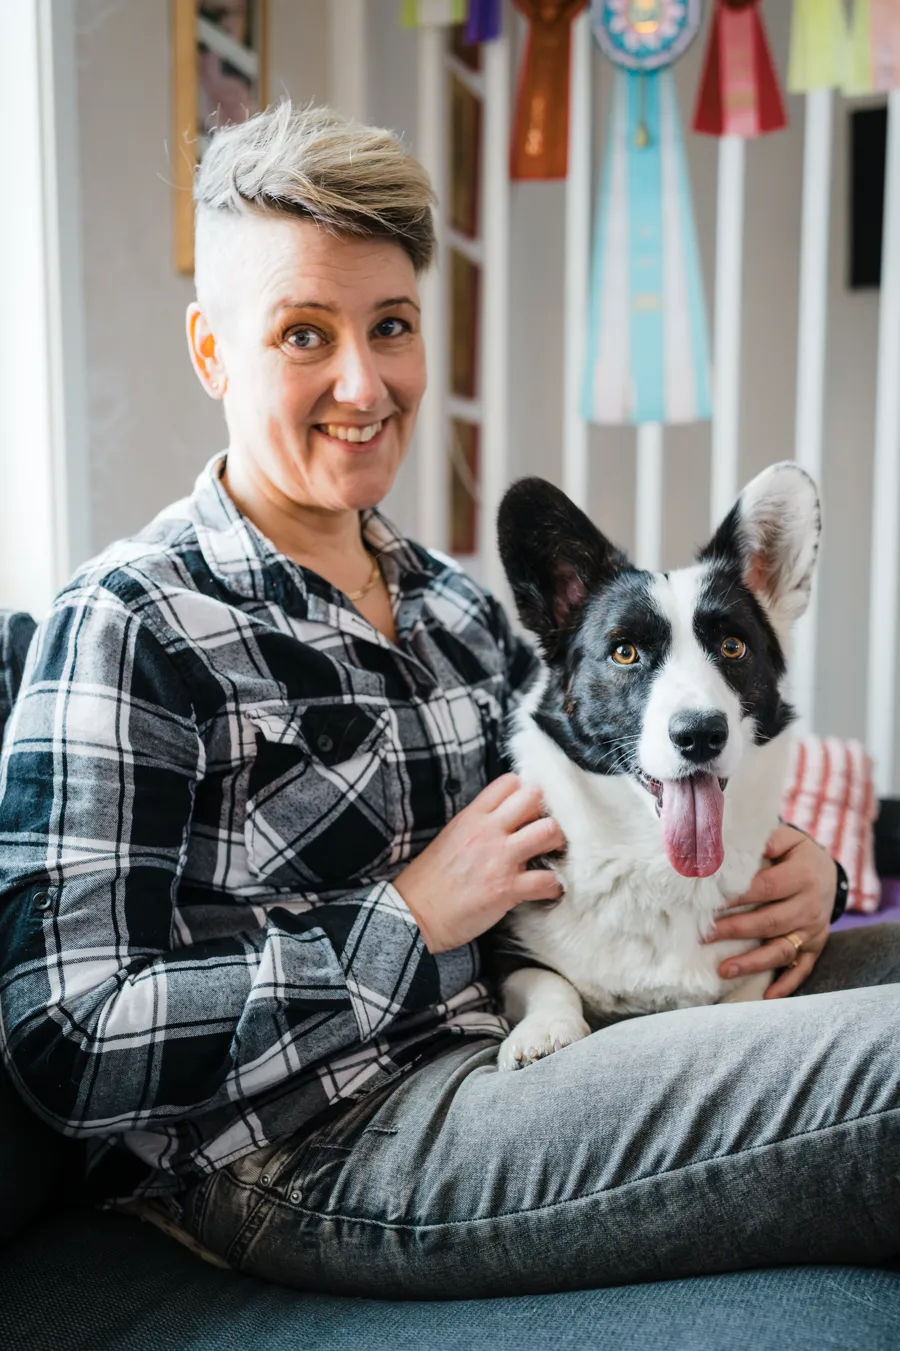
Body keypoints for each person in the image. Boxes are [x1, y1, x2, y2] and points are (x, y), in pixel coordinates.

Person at [0, 101, 896, 1300]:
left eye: (391, 325)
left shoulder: (456, 608)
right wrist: (406, 918)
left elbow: (610, 795)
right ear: (212, 351)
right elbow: (67, 1037)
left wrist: (811, 876)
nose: (363, 381)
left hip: (539, 1032)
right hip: (315, 1144)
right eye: (304, 334)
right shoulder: (130, 622)